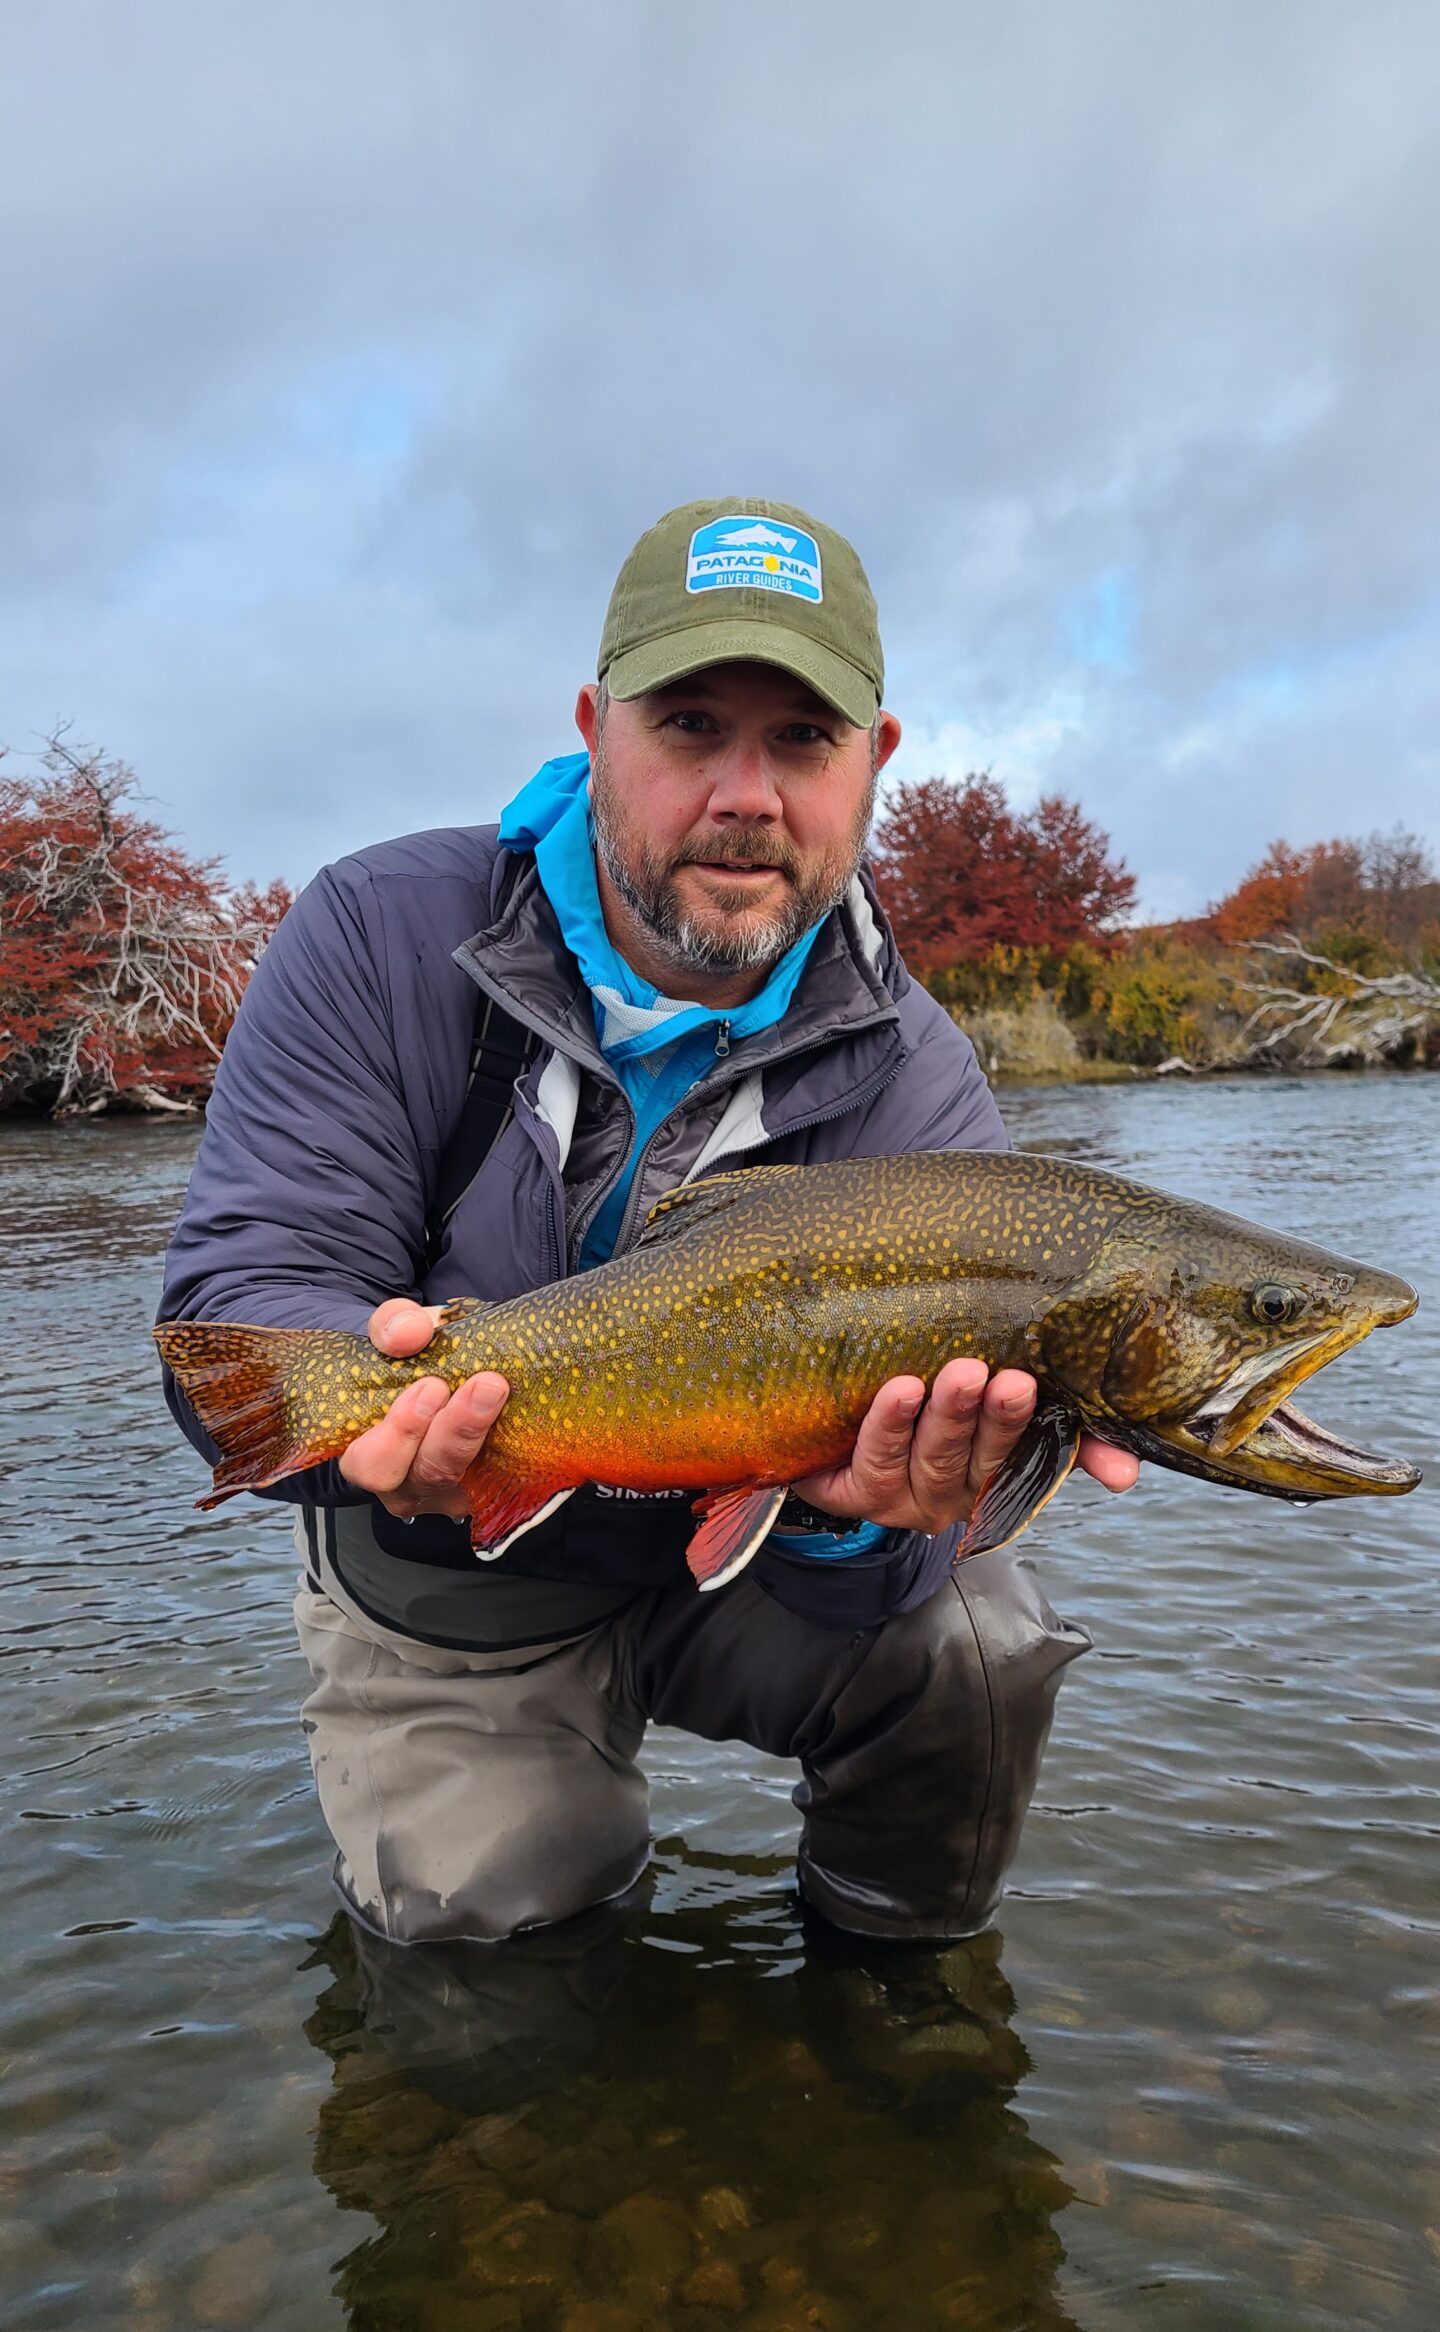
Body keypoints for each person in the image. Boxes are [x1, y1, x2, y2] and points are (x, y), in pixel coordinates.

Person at [158, 496, 1138, 1949]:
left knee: (979, 1640)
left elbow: (911, 1546)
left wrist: (859, 1522)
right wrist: (350, 1421)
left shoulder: (912, 1066)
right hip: (454, 1573)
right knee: (500, 1975)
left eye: (802, 741)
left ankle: (886, 2011)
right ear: (593, 727)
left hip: (747, 1558)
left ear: (874, 764)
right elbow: (260, 1273)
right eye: (690, 728)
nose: (747, 792)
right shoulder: (377, 931)